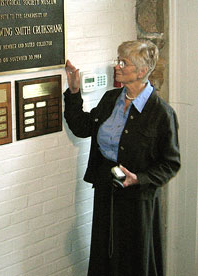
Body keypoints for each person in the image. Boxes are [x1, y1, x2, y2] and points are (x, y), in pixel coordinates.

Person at [64, 40, 181, 276]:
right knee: (104, 255)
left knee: (133, 259)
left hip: (138, 198)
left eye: (123, 62)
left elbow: (170, 163)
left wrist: (139, 178)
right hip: (107, 189)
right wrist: (74, 92)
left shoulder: (161, 113)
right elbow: (83, 127)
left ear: (141, 71)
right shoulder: (111, 99)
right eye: (118, 60)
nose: (117, 66)